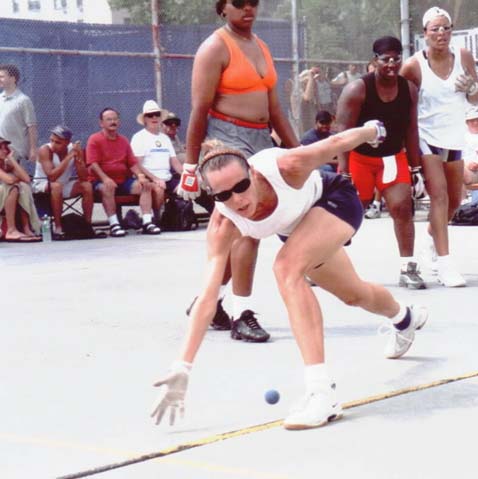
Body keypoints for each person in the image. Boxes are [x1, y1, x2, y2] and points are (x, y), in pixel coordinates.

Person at [150, 122, 428, 430]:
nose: (237, 200)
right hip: (300, 230)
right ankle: (404, 318)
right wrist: (183, 367)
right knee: (354, 294)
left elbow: (335, 143)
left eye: (241, 186)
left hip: (335, 200)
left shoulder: (284, 166)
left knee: (285, 268)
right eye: (224, 194)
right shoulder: (223, 224)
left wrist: (372, 130)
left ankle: (321, 393)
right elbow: (207, 298)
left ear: (253, 174)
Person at [177, 0, 299, 341]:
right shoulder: (213, 48)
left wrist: (298, 151)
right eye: (239, 3)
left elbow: (275, 108)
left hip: (261, 140)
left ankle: (210, 299)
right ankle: (242, 313)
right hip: (226, 140)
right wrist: (190, 165)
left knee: (240, 229)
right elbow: (199, 109)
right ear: (222, 8)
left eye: (253, 3)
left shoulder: (260, 46)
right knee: (249, 226)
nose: (248, 9)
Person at [400, 6, 478, 288]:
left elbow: (476, 98)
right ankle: (446, 265)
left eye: (445, 28)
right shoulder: (413, 65)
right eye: (435, 28)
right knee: (440, 196)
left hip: (454, 136)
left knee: (456, 201)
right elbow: (398, 99)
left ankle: (430, 241)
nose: (441, 33)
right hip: (425, 136)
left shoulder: (463, 56)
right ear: (424, 34)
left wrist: (471, 88)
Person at [336, 36, 426, 290]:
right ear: (374, 60)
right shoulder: (357, 89)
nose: (391, 64)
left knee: (402, 208)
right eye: (385, 59)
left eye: (396, 59)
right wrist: (344, 171)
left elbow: (411, 129)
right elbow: (342, 130)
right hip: (359, 159)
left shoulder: (408, 88)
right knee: (348, 215)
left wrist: (415, 167)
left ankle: (408, 267)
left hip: (392, 158)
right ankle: (320, 261)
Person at [86, 107, 161, 237]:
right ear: (101, 123)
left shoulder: (124, 140)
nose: (113, 122)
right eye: (109, 119)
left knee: (146, 185)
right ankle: (114, 224)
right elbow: (92, 164)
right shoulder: (94, 139)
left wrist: (141, 176)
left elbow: (132, 163)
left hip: (123, 181)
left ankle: (147, 222)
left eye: (115, 119)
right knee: (107, 187)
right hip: (100, 181)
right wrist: (105, 179)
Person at [33, 125, 93, 239]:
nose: (53, 144)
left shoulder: (73, 149)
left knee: (87, 186)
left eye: (58, 142)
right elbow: (51, 177)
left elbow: (84, 177)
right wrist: (69, 157)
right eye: (52, 140)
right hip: (41, 184)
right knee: (56, 186)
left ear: (67, 142)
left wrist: (79, 159)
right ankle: (58, 227)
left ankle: (87, 225)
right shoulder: (45, 150)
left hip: (63, 184)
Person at [131, 100, 183, 221]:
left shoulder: (165, 138)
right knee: (158, 190)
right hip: (149, 179)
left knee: (186, 188)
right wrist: (155, 179)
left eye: (157, 114)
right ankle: (156, 219)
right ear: (145, 119)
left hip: (167, 178)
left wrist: (187, 176)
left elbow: (174, 162)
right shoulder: (139, 137)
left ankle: (180, 218)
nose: (154, 117)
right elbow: (137, 164)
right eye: (150, 115)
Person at [0, 136, 41, 242]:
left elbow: (26, 179)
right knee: (12, 187)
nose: (4, 150)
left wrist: (12, 160)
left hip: (5, 195)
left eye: (5, 147)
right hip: (5, 193)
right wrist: (15, 179)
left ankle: (26, 228)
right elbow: (9, 180)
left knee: (24, 186)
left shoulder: (6, 163)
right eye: (1, 148)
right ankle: (11, 230)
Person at [0, 64, 38, 176]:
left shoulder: (23, 100)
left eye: (2, 76)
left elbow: (32, 126)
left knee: (17, 185)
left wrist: (33, 149)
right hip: (1, 152)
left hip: (16, 153)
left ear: (13, 78)